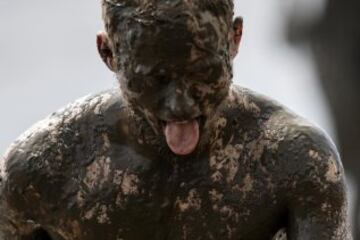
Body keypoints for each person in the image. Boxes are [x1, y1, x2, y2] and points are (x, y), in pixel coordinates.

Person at [0, 0, 352, 239]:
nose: (181, 105)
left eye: (202, 72)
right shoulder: (40, 170)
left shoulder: (295, 163)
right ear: (108, 53)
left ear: (234, 39)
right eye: (157, 79)